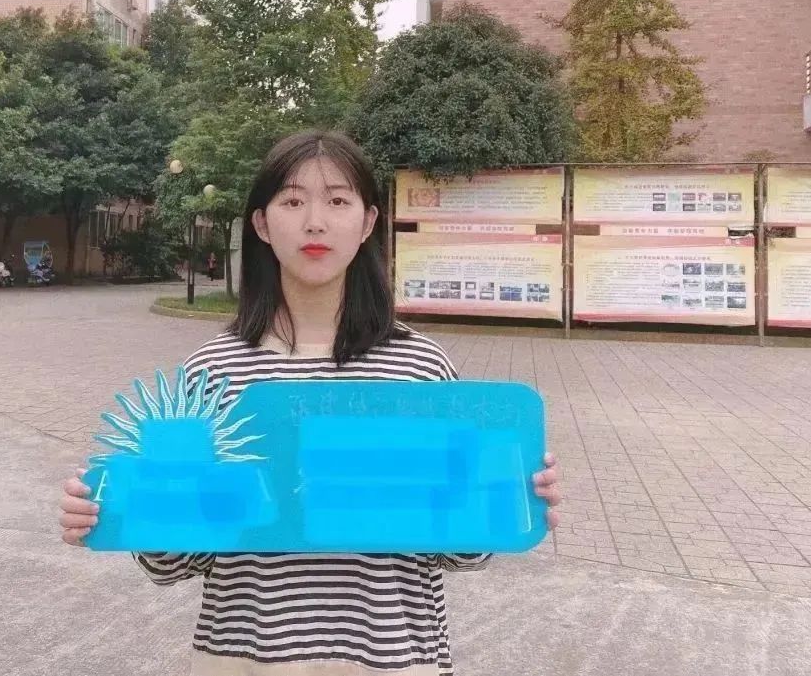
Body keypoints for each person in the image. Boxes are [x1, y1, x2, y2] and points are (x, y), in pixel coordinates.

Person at [59, 130, 561, 676]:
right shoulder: (212, 373)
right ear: (261, 224)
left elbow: (458, 552)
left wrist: (509, 497)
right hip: (246, 659)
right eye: (293, 201)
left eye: (338, 201)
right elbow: (179, 561)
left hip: (391, 657)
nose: (315, 222)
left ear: (367, 223)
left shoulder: (420, 369)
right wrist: (121, 509)